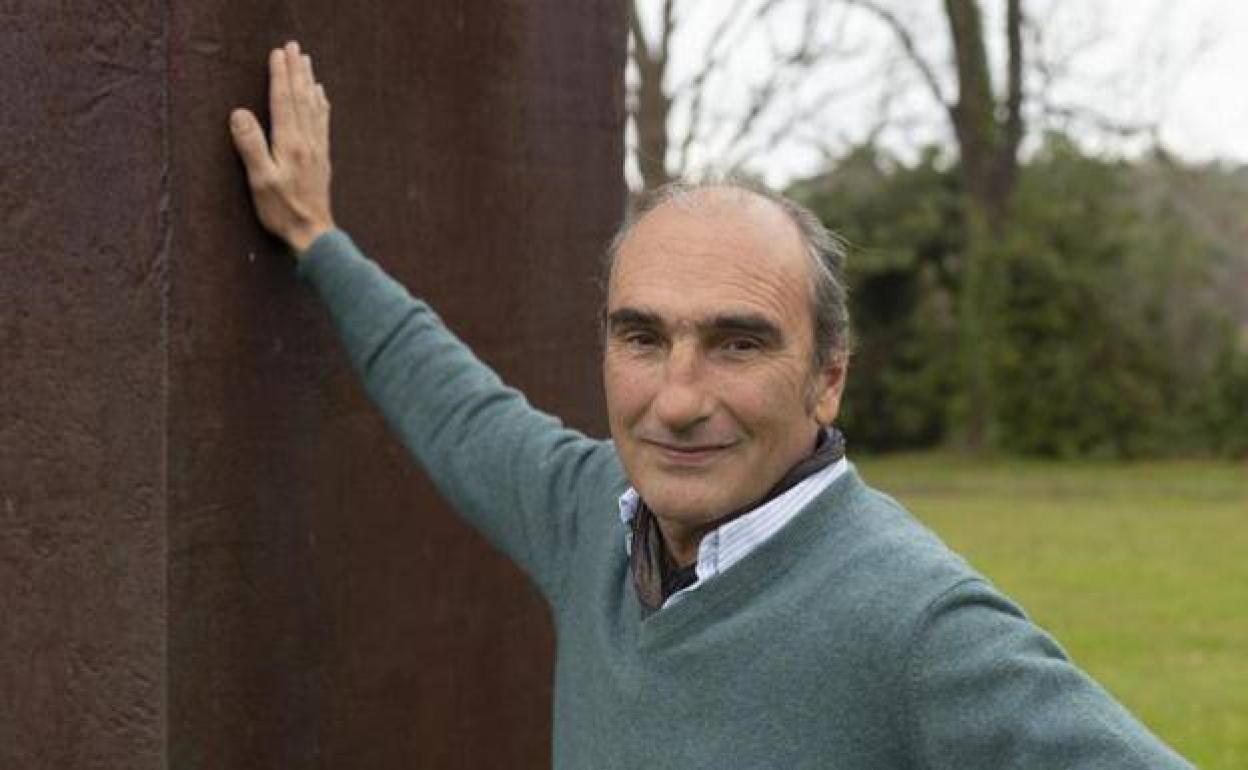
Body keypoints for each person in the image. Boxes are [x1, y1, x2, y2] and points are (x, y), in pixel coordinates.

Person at [229, 42, 1196, 769]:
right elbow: (453, 405)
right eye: (642, 337)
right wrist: (318, 239)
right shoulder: (587, 516)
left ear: (828, 378)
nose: (678, 400)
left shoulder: (919, 628)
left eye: (738, 343)